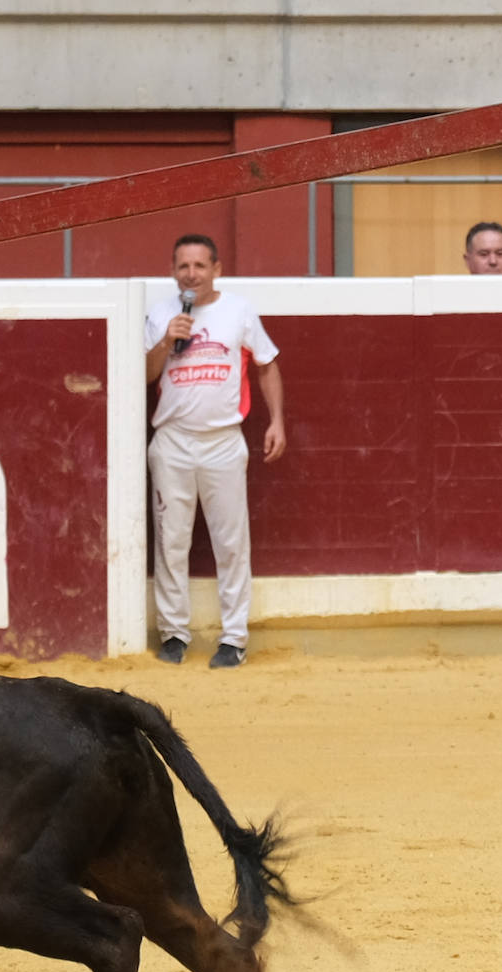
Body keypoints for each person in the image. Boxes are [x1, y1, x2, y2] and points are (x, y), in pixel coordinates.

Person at [144, 233, 285, 669]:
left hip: (223, 440)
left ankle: (234, 637)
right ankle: (173, 634)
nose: (191, 274)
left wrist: (277, 419)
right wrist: (166, 340)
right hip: (173, 439)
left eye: (200, 266)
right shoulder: (162, 314)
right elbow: (145, 374)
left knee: (230, 542)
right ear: (173, 271)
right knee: (171, 540)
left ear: (216, 269)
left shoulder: (238, 310)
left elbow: (267, 365)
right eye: (183, 266)